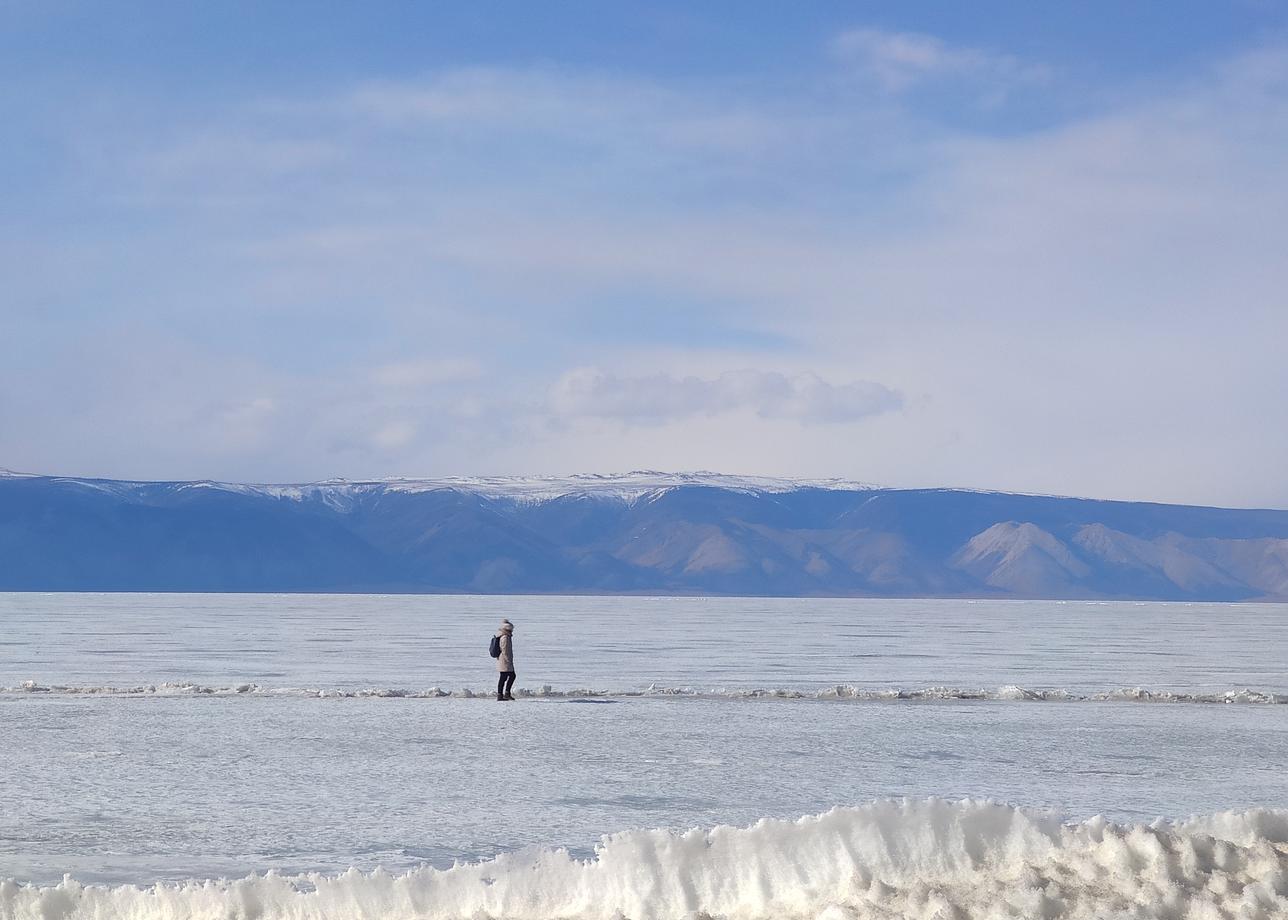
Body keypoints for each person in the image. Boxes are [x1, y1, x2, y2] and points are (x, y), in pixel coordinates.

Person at [495, 619, 516, 701]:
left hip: (503, 660)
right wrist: (509, 661)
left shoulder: (504, 636)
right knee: (508, 676)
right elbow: (505, 650)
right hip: (504, 661)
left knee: (506, 677)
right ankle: (502, 695)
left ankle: (503, 694)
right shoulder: (505, 637)